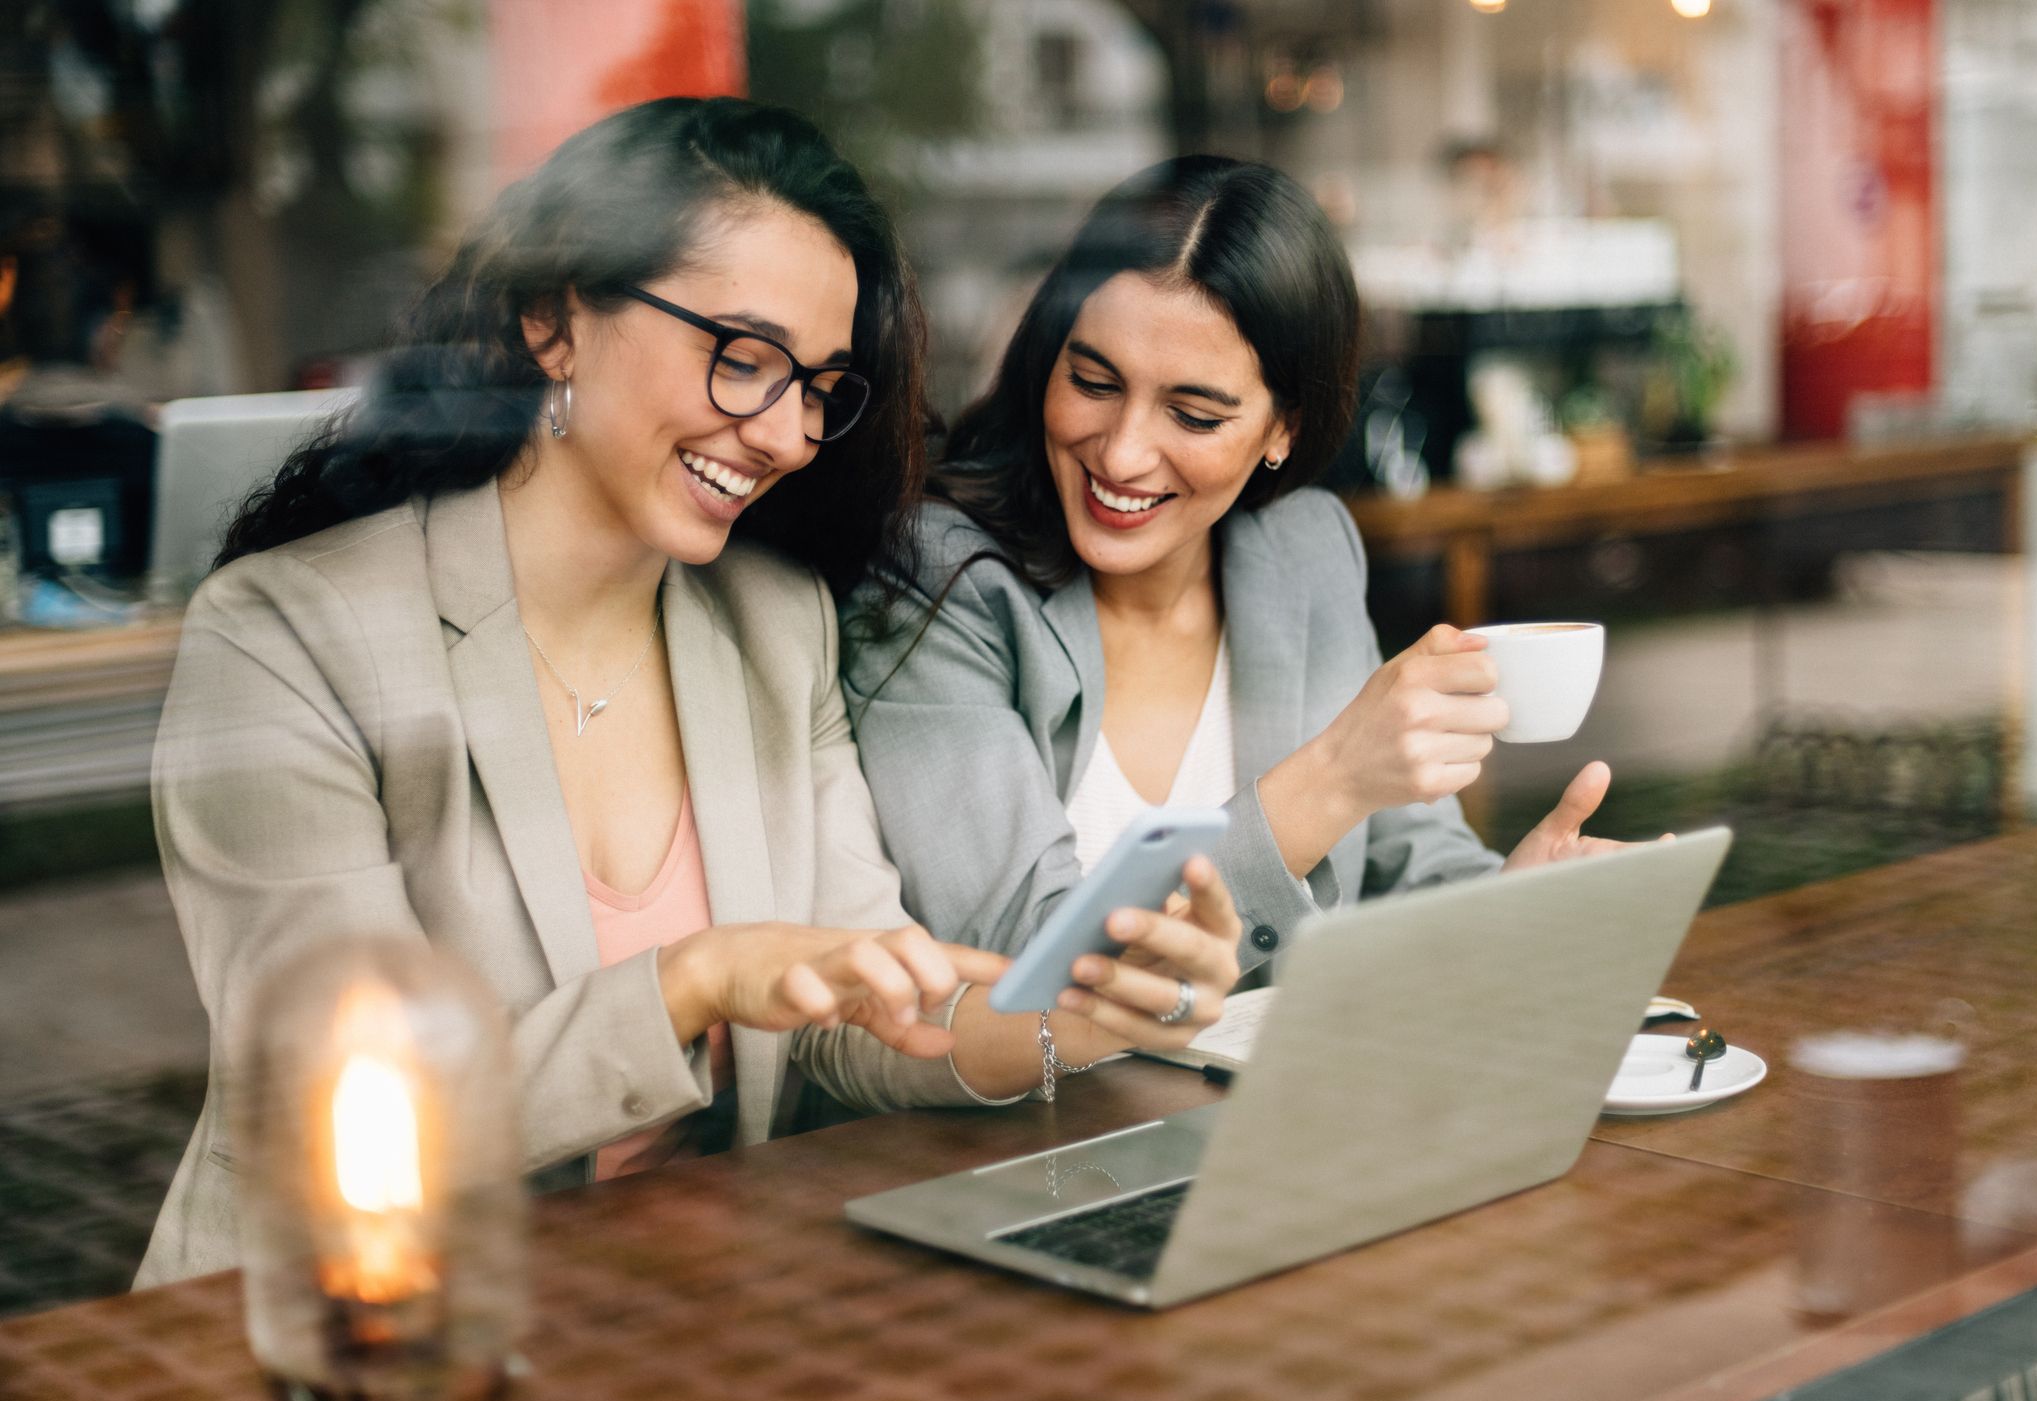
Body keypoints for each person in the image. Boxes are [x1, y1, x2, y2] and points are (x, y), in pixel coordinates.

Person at [139, 99, 1241, 1286]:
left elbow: (847, 1002)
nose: (783, 432)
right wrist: (693, 981)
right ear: (555, 319)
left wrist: (1070, 1017)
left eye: (819, 384)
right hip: (353, 1326)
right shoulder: (291, 634)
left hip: (667, 1307)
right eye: (744, 357)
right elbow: (344, 1105)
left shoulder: (768, 622)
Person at [841, 156, 1628, 1025]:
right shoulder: (933, 577)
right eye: (1093, 383)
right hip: (1027, 1147)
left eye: (1194, 415)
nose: (1122, 453)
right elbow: (1025, 962)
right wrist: (1328, 780)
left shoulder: (1302, 552)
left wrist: (1512, 904)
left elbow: (1409, 865)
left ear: (1283, 428)